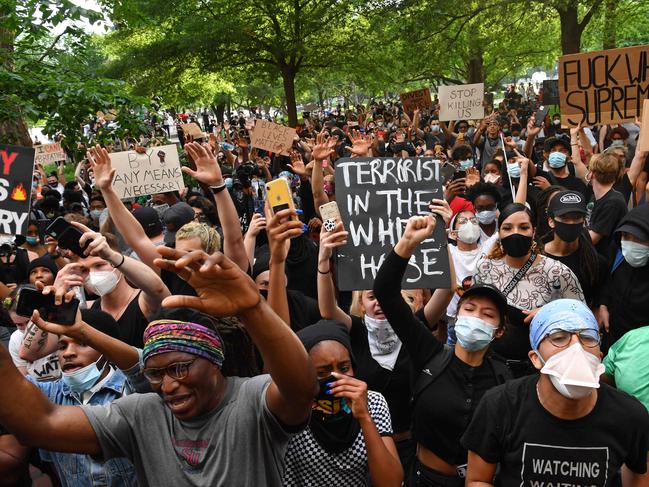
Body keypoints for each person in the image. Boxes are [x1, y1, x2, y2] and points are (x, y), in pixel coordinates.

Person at [0, 247, 317, 485]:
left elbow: (301, 388)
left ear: (213, 360)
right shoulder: (141, 414)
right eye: (155, 374)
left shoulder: (253, 400)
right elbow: (39, 423)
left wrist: (254, 309)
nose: (167, 386)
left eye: (179, 369)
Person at [374, 214, 511, 486]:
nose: (476, 318)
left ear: (499, 331)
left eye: (487, 314)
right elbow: (386, 291)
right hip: (425, 479)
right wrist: (408, 243)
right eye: (469, 310)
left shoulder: (504, 379)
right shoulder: (429, 353)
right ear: (456, 318)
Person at [462, 299, 649, 486]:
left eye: (588, 338)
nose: (577, 348)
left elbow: (640, 475)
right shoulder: (501, 405)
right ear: (536, 358)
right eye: (559, 338)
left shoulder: (630, 415)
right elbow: (478, 480)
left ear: (600, 356)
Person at [2, 307, 146, 487]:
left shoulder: (134, 390)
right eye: (62, 346)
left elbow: (141, 364)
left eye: (83, 343)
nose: (68, 353)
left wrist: (85, 330)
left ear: (106, 349)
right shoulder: (49, 394)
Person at [283, 320, 402, 486]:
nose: (337, 378)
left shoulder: (373, 402)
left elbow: (391, 482)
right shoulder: (293, 410)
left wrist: (364, 417)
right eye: (322, 372)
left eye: (344, 368)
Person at [474, 203, 585, 373]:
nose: (515, 233)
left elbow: (582, 316)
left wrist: (550, 312)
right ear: (499, 233)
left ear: (533, 232)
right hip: (491, 366)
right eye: (507, 228)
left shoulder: (557, 272)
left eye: (523, 227)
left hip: (539, 368)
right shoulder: (485, 268)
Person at [54, 223, 170, 347]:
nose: (92, 274)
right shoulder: (86, 310)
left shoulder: (144, 303)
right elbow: (33, 351)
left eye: (99, 265)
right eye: (84, 270)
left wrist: (110, 255)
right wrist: (53, 296)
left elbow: (158, 289)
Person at [542, 190, 607, 307]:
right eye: (564, 217)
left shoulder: (594, 262)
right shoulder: (538, 257)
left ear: (583, 221)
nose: (571, 222)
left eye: (577, 217)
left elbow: (602, 292)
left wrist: (601, 305)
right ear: (551, 221)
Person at [598, 204, 649, 345]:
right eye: (626, 235)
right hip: (612, 338)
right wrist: (603, 305)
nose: (631, 244)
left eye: (640, 238)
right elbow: (607, 281)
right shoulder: (618, 255)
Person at [586, 152, 627, 259]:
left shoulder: (613, 202)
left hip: (604, 263)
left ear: (591, 174)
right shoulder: (596, 197)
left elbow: (592, 239)